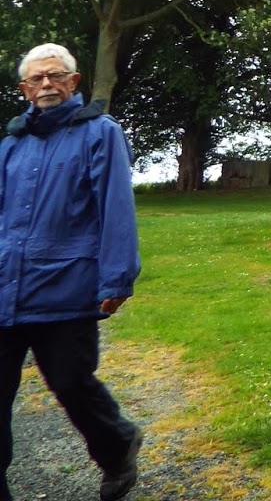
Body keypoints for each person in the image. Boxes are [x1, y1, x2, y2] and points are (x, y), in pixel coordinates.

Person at [1, 45, 142, 501]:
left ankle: (118, 445)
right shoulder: (11, 143)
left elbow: (116, 208)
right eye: (36, 79)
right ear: (24, 89)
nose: (46, 85)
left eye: (55, 76)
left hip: (66, 287)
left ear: (74, 82)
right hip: (6, 289)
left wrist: (117, 278)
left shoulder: (100, 134)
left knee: (71, 383)